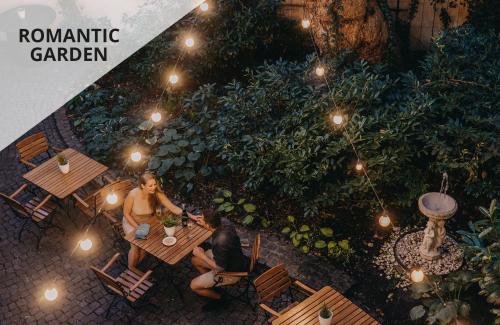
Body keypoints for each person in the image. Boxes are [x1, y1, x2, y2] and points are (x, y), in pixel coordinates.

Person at [123, 172, 200, 272]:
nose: (153, 187)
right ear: (142, 185)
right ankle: (131, 267)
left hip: (148, 222)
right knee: (136, 245)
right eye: (150, 185)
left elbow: (173, 208)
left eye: (155, 184)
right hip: (131, 222)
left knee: (143, 251)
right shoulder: (133, 194)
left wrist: (192, 216)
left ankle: (137, 263)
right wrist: (137, 227)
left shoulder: (157, 194)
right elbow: (126, 214)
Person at [190, 208, 246, 311]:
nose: (200, 220)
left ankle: (221, 298)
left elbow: (220, 268)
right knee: (194, 260)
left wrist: (202, 255)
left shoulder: (220, 243)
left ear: (209, 225)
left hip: (231, 272)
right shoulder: (224, 222)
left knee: (193, 285)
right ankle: (213, 285)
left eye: (202, 219)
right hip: (234, 258)